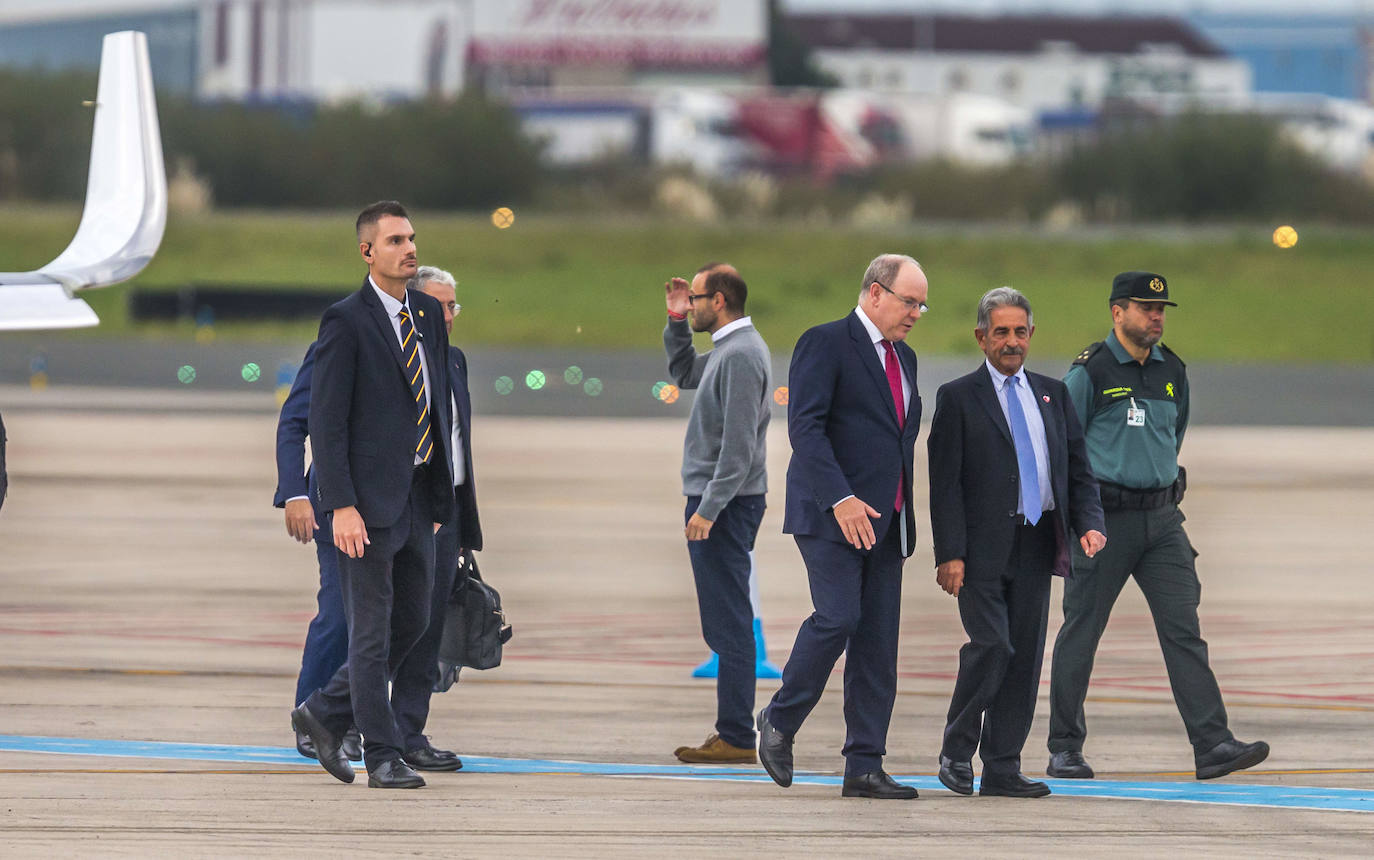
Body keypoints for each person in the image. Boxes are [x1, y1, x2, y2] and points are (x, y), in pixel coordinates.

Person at [1046, 271, 1269, 781]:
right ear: (1117, 312)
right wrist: (1078, 520)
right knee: (1083, 630)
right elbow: (1063, 449)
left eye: (1161, 308)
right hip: (1103, 523)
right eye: (1146, 307)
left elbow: (1174, 436)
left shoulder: (1174, 371)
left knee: (1184, 630)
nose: (1156, 316)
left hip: (1163, 521)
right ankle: (1064, 747)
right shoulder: (1091, 372)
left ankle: (1212, 744)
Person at [290, 201, 454, 790]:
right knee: (371, 628)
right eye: (394, 241)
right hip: (364, 503)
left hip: (416, 499)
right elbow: (326, 423)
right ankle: (383, 753)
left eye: (411, 238)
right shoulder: (345, 321)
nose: (409, 249)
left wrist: (438, 494)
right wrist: (341, 505)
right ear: (367, 252)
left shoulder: (428, 317)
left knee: (412, 624)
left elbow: (434, 408)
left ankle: (327, 709)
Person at [757, 253, 926, 800]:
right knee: (839, 617)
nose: (916, 313)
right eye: (908, 301)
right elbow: (805, 429)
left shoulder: (907, 360)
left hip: (887, 520)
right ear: (875, 293)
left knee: (877, 644)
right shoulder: (825, 342)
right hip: (831, 514)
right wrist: (842, 498)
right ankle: (779, 720)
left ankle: (865, 765)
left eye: (922, 304)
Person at [927, 287, 1106, 799]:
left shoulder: (1053, 394)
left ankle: (1002, 766)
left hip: (1035, 543)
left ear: (1032, 335)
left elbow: (1077, 469)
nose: (1011, 341)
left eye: (1020, 332)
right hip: (980, 551)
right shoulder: (958, 397)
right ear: (981, 337)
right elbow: (945, 484)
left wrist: (1089, 522)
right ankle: (957, 750)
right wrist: (950, 554)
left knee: (1024, 656)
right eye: (1000, 332)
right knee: (993, 645)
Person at [661, 263, 771, 764]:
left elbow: (740, 448)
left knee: (729, 622)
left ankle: (737, 736)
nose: (693, 305)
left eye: (697, 300)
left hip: (725, 504)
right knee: (725, 618)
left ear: (721, 300)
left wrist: (709, 509)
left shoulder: (743, 355)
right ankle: (732, 732)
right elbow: (684, 373)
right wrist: (676, 322)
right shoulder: (728, 350)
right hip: (719, 501)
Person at [387, 265, 483, 772]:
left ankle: (409, 730)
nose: (448, 316)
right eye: (439, 306)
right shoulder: (394, 356)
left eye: (453, 306)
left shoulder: (457, 362)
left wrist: (462, 523)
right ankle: (343, 714)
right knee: (391, 623)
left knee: (428, 630)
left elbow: (459, 448)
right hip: (402, 511)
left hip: (446, 513)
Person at [273, 341, 361, 763]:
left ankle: (356, 718)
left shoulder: (427, 349)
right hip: (338, 501)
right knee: (341, 614)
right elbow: (294, 421)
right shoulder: (343, 338)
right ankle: (314, 711)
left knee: (391, 620)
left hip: (402, 504)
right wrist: (293, 492)